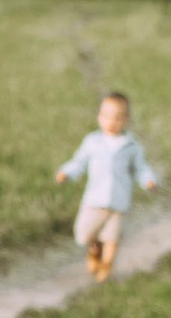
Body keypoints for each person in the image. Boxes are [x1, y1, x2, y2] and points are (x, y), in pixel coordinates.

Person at [56, 89, 157, 283]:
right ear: (99, 117)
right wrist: (66, 173)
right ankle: (94, 249)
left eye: (118, 118)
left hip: (119, 202)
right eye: (106, 117)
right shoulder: (92, 142)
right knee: (84, 235)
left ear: (126, 119)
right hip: (94, 199)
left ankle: (107, 266)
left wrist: (148, 180)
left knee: (112, 237)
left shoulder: (131, 146)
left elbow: (141, 168)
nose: (111, 122)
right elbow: (79, 162)